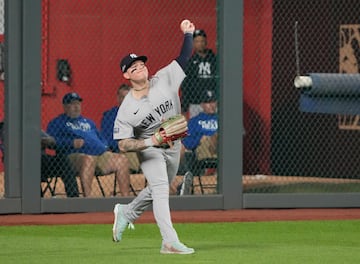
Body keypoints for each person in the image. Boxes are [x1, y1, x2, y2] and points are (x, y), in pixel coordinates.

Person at [112, 19, 196, 254]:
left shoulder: (164, 78)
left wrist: (188, 34)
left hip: (172, 142)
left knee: (160, 188)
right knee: (160, 188)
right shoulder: (127, 108)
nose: (139, 67)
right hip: (149, 148)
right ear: (127, 75)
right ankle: (169, 241)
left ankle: (126, 212)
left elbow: (184, 58)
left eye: (140, 63)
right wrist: (150, 142)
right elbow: (122, 144)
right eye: (133, 67)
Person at [47, 92, 131, 197]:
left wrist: (106, 147)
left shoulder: (88, 122)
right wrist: (71, 143)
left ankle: (126, 198)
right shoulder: (57, 122)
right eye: (72, 104)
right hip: (74, 156)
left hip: (100, 155)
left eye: (78, 104)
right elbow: (51, 142)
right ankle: (88, 199)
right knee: (88, 159)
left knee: (122, 160)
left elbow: (101, 138)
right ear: (65, 106)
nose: (76, 107)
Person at [178, 89, 218, 194]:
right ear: (202, 104)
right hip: (203, 150)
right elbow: (188, 143)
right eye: (207, 102)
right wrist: (201, 139)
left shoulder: (222, 118)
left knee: (216, 136)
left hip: (221, 148)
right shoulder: (195, 121)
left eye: (213, 101)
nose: (211, 105)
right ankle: (209, 173)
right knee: (206, 139)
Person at [180, 29, 217, 118]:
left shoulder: (214, 60)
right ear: (193, 43)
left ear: (206, 42)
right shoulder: (190, 62)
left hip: (214, 103)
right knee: (196, 128)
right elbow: (185, 85)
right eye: (197, 41)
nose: (200, 44)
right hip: (196, 103)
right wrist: (184, 107)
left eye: (202, 41)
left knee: (215, 128)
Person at [41, 130, 80, 197]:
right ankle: (37, 198)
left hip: (44, 163)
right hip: (27, 165)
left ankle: (73, 196)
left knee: (63, 158)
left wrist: (46, 141)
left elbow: (53, 143)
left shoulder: (35, 130)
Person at [101, 84, 131, 152]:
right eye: (123, 97)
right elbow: (106, 137)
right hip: (116, 150)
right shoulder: (109, 116)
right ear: (118, 98)